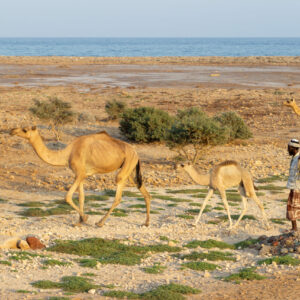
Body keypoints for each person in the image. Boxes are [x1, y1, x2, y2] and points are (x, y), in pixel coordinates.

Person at [286, 138, 300, 231]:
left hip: (297, 187)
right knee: (291, 207)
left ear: (294, 148)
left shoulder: (299, 158)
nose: (288, 150)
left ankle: (295, 228)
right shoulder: (294, 158)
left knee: (295, 207)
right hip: (293, 187)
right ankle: (294, 228)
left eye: (289, 148)